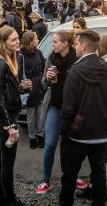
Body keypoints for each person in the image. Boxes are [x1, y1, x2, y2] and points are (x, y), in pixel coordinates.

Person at [59, 29, 107, 206]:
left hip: (78, 135)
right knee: (99, 175)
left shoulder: (75, 72)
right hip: (102, 133)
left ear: (84, 46)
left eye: (77, 44)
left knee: (69, 175)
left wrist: (64, 131)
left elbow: (68, 108)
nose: (75, 47)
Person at [36, 31, 85, 195]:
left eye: (55, 42)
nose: (53, 45)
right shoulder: (51, 57)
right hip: (55, 107)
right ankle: (46, 180)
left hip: (72, 110)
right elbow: (43, 84)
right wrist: (48, 78)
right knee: (49, 145)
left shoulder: (76, 57)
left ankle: (75, 176)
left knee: (72, 146)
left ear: (65, 43)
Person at [0, 26, 27, 206]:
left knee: (2, 159)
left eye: (18, 38)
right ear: (3, 43)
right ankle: (9, 201)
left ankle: (2, 199)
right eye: (13, 40)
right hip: (5, 118)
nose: (18, 41)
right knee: (7, 163)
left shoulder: (8, 60)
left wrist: (20, 87)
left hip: (7, 116)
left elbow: (6, 89)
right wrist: (9, 126)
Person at [18, 32, 46, 149]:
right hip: (29, 87)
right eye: (36, 38)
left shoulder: (39, 52)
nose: (38, 40)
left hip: (39, 85)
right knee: (30, 116)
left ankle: (41, 136)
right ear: (30, 41)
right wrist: (22, 85)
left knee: (40, 115)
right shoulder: (21, 56)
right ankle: (32, 138)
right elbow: (18, 74)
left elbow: (44, 68)